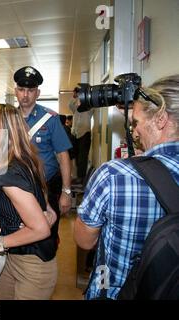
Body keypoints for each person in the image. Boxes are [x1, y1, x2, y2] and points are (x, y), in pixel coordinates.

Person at [74, 74, 179, 299]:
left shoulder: (114, 175)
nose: (135, 132)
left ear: (160, 120)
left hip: (114, 290)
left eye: (136, 123)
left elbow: (84, 240)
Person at [0, 104, 58, 299]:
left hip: (33, 264)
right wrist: (48, 211)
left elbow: (41, 229)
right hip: (14, 258)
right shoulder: (20, 160)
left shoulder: (9, 172)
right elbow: (39, 192)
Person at [13, 66, 72, 248]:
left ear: (37, 93)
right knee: (19, 234)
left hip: (47, 187)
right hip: (17, 189)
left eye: (30, 90)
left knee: (48, 236)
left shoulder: (50, 119)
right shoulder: (8, 118)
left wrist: (66, 192)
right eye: (21, 90)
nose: (25, 95)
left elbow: (63, 156)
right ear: (16, 91)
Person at [69, 87, 94, 185]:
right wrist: (74, 97)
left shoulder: (89, 107)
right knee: (75, 156)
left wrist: (85, 96)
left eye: (80, 94)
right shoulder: (75, 106)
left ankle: (81, 178)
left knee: (83, 157)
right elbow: (70, 105)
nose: (78, 95)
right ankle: (77, 176)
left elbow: (92, 105)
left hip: (85, 133)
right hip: (75, 133)